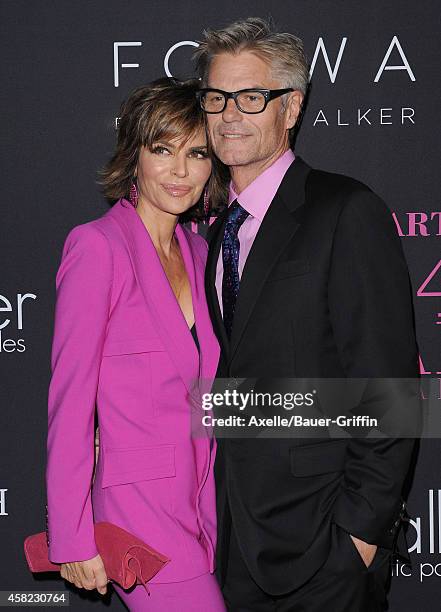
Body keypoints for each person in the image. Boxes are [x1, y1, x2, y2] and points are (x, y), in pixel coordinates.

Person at [195, 17, 419, 611]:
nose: (229, 115)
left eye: (251, 97)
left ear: (290, 108)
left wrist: (359, 538)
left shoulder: (345, 210)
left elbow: (392, 389)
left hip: (323, 545)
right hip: (232, 540)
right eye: (217, 98)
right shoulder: (217, 230)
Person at [45, 77, 227, 612]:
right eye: (162, 149)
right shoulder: (98, 247)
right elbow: (70, 401)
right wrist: (73, 537)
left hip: (201, 509)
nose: (179, 171)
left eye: (196, 153)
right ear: (135, 156)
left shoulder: (200, 253)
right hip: (135, 515)